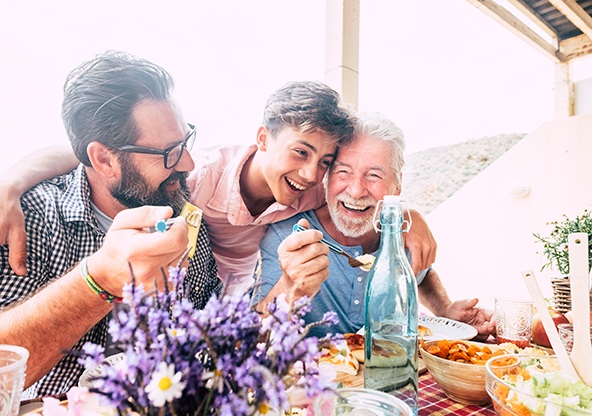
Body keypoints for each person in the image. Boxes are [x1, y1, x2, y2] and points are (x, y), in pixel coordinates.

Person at [0, 83, 437, 294]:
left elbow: (362, 193)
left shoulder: (315, 187)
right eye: (300, 153)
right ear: (263, 139)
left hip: (245, 291)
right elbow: (101, 156)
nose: (310, 174)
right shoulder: (194, 174)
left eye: (324, 162)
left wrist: (410, 217)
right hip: (194, 285)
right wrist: (12, 180)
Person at [0, 51, 221, 399]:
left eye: (185, 142)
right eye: (169, 152)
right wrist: (98, 279)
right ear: (104, 159)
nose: (189, 163)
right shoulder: (31, 218)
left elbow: (210, 332)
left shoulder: (180, 211)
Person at [255, 113, 496, 341]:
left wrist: (445, 311)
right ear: (326, 177)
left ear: (397, 186)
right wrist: (290, 285)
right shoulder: (286, 236)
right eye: (343, 171)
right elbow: (252, 336)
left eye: (374, 176)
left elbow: (421, 275)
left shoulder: (401, 234)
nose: (356, 190)